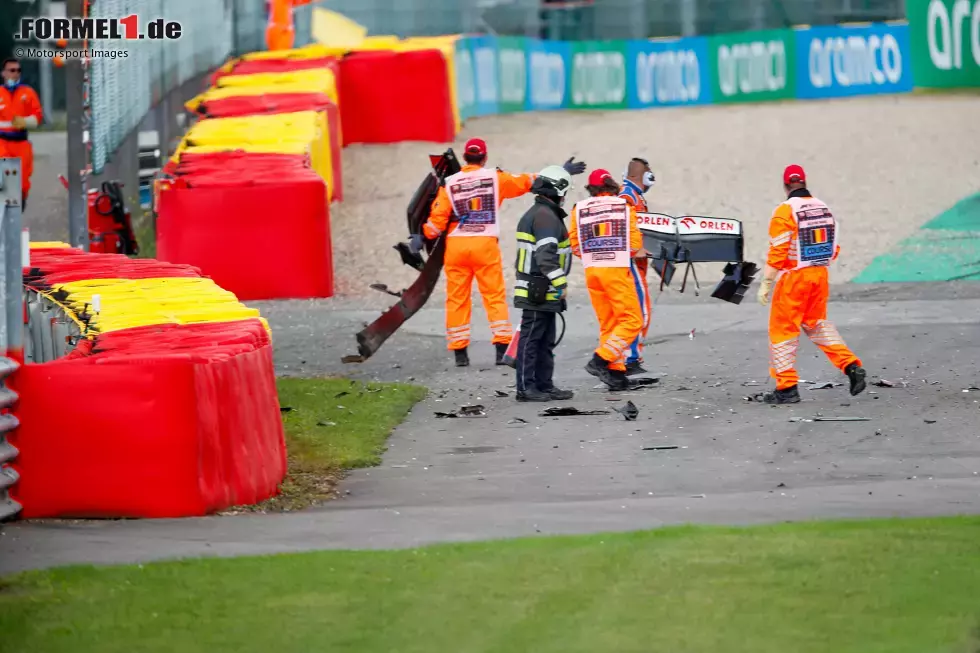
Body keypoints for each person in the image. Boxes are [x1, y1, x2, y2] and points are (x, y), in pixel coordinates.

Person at [413, 137, 585, 367]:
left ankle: (460, 352)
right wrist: (561, 171)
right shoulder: (496, 178)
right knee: (493, 296)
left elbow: (436, 224)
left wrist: (421, 235)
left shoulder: (450, 183)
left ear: (465, 157)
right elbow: (530, 182)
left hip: (456, 247)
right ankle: (501, 348)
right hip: (485, 246)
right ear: (484, 158)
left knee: (456, 298)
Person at [757, 164, 867, 404]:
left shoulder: (784, 211)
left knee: (783, 330)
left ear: (785, 185)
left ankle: (786, 388)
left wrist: (767, 282)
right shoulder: (825, 208)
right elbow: (834, 248)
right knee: (817, 325)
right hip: (819, 276)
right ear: (804, 182)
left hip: (793, 278)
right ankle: (850, 365)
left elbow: (778, 251)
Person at [569, 169, 645, 391]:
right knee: (632, 320)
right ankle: (600, 359)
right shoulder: (624, 207)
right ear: (611, 185)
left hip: (592, 270)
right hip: (615, 269)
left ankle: (615, 373)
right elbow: (634, 244)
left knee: (609, 322)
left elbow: (575, 245)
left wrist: (595, 253)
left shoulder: (578, 209)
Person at [512, 165, 575, 402]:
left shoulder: (543, 213)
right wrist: (560, 284)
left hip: (541, 290)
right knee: (531, 342)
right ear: (559, 190)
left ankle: (544, 385)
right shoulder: (545, 217)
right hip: (537, 290)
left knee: (545, 341)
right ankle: (526, 389)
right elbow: (545, 256)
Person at [619, 157, 655, 374]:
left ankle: (629, 358)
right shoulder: (628, 196)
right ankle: (630, 359)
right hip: (630, 263)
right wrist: (635, 251)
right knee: (638, 312)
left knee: (635, 312)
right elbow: (623, 227)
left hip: (634, 262)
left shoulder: (633, 196)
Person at [0, 58, 43, 211]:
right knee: (7, 174)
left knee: (23, 182)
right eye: (12, 70)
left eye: (18, 71)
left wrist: (25, 122)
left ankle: (21, 199)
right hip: (2, 142)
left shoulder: (28, 92)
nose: (16, 74)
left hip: (22, 144)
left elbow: (38, 117)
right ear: (3, 73)